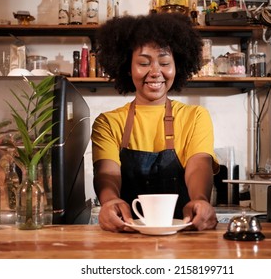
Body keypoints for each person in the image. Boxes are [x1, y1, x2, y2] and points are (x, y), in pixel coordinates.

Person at [91, 12, 220, 232]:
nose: (155, 72)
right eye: (143, 63)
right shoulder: (108, 122)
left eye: (164, 62)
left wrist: (200, 200)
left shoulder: (195, 116)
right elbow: (108, 173)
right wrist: (110, 201)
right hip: (126, 233)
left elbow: (199, 164)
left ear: (177, 65)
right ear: (127, 67)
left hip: (185, 234)